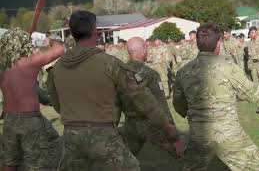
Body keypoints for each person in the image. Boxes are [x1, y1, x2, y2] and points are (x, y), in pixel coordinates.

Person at [47, 11, 181, 171]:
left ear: (72, 33)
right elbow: (142, 98)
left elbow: (56, 103)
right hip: (103, 134)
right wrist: (166, 125)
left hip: (70, 136)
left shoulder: (58, 67)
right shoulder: (109, 64)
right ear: (95, 31)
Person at [173, 23, 259, 171]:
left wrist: (190, 114)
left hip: (198, 134)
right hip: (229, 134)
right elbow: (252, 91)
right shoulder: (228, 67)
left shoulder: (183, 72)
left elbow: (178, 104)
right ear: (218, 43)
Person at [0, 28, 63, 171]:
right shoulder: (31, 62)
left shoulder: (2, 67)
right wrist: (50, 40)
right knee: (36, 163)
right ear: (25, 44)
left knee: (9, 162)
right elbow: (60, 49)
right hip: (31, 120)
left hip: (9, 118)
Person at [120, 37, 185, 159]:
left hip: (130, 123)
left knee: (125, 158)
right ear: (143, 49)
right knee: (180, 151)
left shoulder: (119, 72)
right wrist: (174, 133)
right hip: (152, 123)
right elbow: (162, 105)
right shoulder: (151, 74)